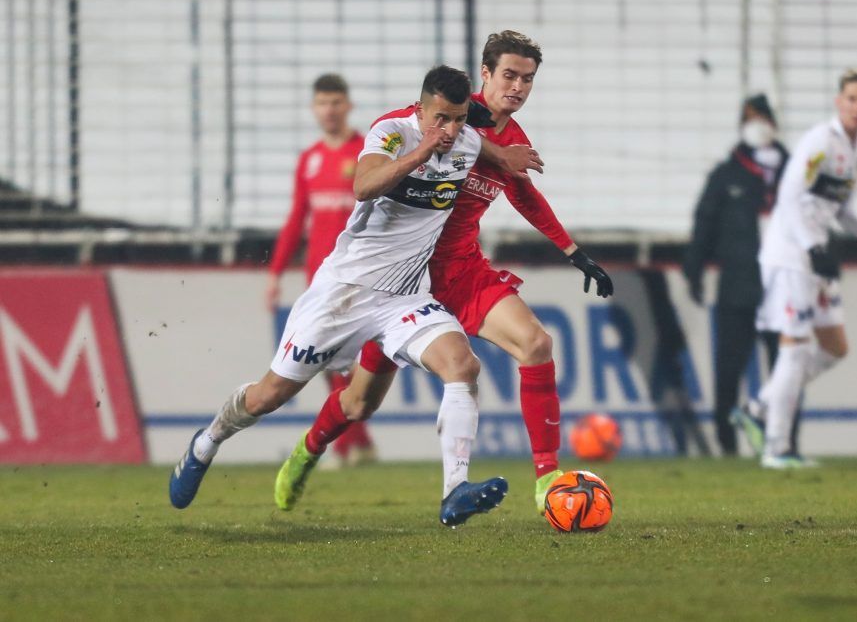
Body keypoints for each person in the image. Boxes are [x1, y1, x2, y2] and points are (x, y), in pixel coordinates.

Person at [274, 30, 614, 515]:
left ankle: (548, 479)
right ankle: (307, 452)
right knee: (359, 404)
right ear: (486, 74)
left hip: (460, 271)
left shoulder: (515, 140)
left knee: (536, 343)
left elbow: (523, 193)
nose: (517, 88)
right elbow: (403, 134)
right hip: (401, 277)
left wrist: (575, 253)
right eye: (509, 76)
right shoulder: (448, 116)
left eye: (528, 80)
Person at [170, 65, 522, 527]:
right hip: (343, 293)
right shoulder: (391, 133)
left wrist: (509, 157)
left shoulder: (468, 142)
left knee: (463, 365)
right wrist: (421, 152)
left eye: (459, 119)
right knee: (268, 396)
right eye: (441, 118)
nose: (450, 130)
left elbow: (491, 151)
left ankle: (454, 491)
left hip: (404, 298)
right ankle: (206, 442)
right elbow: (364, 184)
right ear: (419, 109)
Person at [740, 68, 857, 469]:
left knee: (835, 348)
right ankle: (777, 448)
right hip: (790, 255)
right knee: (796, 347)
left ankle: (760, 406)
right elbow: (788, 195)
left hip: (815, 254)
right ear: (840, 102)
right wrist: (813, 245)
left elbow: (840, 204)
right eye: (851, 98)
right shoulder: (821, 140)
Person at [264, 73, 376, 466]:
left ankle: (349, 445)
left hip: (364, 273)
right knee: (330, 360)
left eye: (335, 103)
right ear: (314, 109)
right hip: (320, 277)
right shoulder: (309, 160)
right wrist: (276, 273)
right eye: (322, 103)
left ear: (348, 106)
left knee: (358, 359)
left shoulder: (367, 151)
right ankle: (355, 445)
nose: (329, 110)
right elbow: (297, 219)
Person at [684, 93, 788, 456]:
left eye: (761, 116)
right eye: (749, 118)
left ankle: (783, 440)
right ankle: (726, 443)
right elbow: (704, 223)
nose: (756, 124)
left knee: (789, 366)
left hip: (786, 286)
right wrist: (693, 270)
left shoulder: (793, 170)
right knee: (728, 368)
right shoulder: (726, 174)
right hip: (738, 285)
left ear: (773, 123)